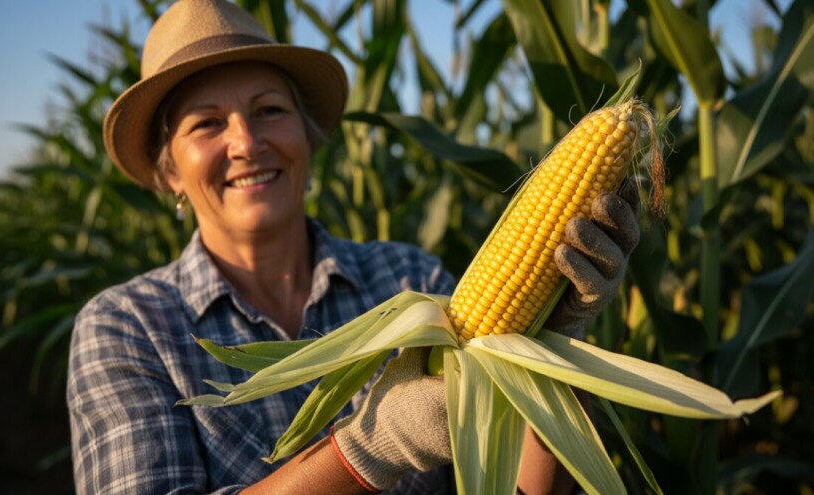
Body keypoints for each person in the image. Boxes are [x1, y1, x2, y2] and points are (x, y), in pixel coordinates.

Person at [66, 0, 642, 494]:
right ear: (169, 173)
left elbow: (526, 484)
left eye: (269, 110)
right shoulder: (126, 326)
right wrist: (372, 446)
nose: (246, 142)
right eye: (207, 124)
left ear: (309, 137)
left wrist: (551, 345)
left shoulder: (408, 276)